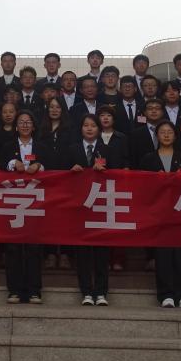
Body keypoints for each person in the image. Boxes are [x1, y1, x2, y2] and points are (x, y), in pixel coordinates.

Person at [66, 114, 123, 306]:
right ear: (80, 128)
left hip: (101, 206)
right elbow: (59, 173)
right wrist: (71, 170)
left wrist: (105, 171)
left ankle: (101, 292)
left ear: (99, 129)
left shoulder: (107, 149)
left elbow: (117, 173)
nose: (89, 128)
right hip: (79, 206)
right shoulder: (72, 149)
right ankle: (86, 292)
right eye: (86, 125)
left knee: (101, 252)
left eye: (93, 125)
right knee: (83, 252)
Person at [136, 119, 181, 309]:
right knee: (162, 255)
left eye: (170, 132)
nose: (166, 135)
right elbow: (141, 186)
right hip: (158, 213)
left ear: (175, 136)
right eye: (162, 132)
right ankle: (166, 294)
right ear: (157, 136)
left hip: (180, 212)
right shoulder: (148, 159)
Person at [0, 110, 53, 303]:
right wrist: (13, 163)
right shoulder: (7, 146)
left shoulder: (42, 147)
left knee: (33, 248)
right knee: (13, 248)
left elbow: (53, 168)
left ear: (34, 126)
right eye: (21, 122)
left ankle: (34, 291)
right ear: (16, 126)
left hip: (35, 203)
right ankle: (14, 290)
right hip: (13, 203)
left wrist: (39, 166)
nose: (25, 125)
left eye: (28, 122)